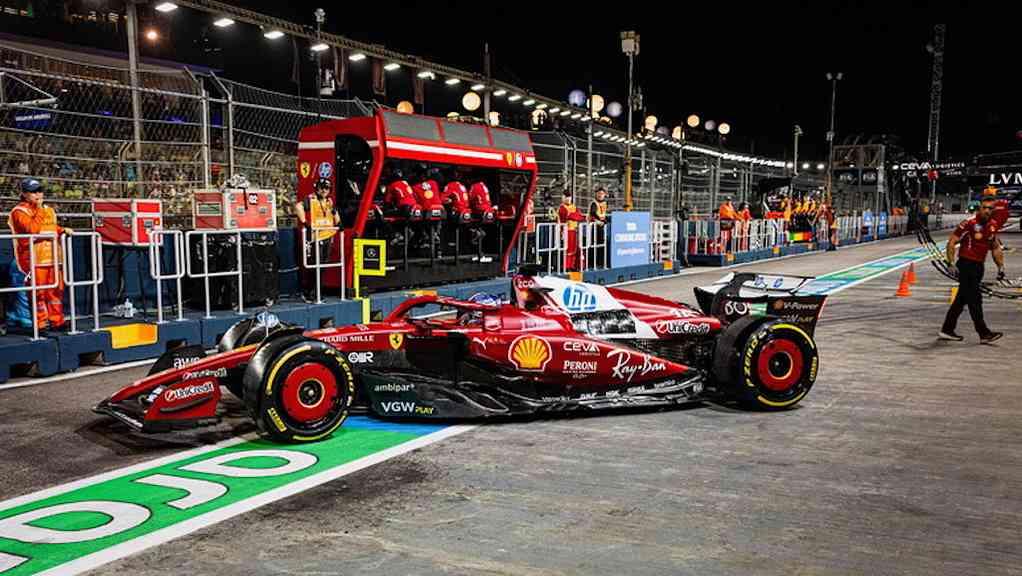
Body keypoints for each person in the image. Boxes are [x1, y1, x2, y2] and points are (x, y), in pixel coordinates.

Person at [7, 178, 72, 330]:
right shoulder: (19, 211)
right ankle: (41, 324)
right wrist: (39, 210)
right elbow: (33, 230)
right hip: (32, 260)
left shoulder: (49, 210)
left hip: (54, 258)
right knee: (38, 293)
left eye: (39, 191)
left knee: (56, 292)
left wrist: (62, 230)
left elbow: (51, 227)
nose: (38, 194)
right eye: (33, 192)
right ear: (24, 194)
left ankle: (57, 321)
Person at [939, 194, 1004, 344]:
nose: (987, 211)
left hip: (978, 266)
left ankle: (947, 330)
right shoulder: (968, 224)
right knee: (975, 299)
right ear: (979, 208)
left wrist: (1001, 267)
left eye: (990, 208)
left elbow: (995, 248)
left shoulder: (992, 225)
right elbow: (951, 242)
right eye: (984, 208)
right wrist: (950, 263)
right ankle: (984, 333)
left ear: (993, 210)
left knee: (961, 300)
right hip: (966, 265)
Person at [294, 178, 340, 301]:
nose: (324, 190)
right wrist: (305, 223)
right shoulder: (311, 199)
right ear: (317, 188)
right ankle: (309, 292)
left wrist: (339, 223)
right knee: (314, 265)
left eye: (327, 188)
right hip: (315, 237)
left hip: (327, 236)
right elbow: (298, 206)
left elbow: (334, 212)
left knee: (323, 266)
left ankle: (318, 291)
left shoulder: (329, 201)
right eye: (322, 187)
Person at [557, 190, 586, 271]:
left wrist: (572, 216)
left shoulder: (574, 206)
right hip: (566, 231)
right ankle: (567, 266)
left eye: (569, 197)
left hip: (575, 230)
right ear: (563, 198)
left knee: (576, 249)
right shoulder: (562, 207)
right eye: (566, 197)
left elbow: (579, 216)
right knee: (568, 249)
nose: (568, 199)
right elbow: (567, 217)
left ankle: (575, 265)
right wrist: (573, 216)